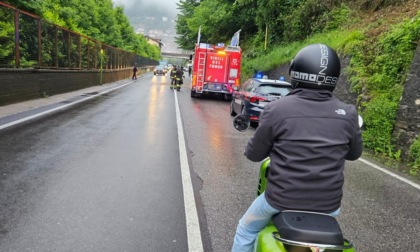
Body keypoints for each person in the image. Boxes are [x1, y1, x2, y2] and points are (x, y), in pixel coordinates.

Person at [231, 44, 363, 252]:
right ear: (335, 77)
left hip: (280, 199)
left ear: (296, 73)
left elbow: (255, 154)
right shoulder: (348, 113)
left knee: (246, 229)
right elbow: (355, 154)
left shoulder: (277, 109)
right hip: (328, 206)